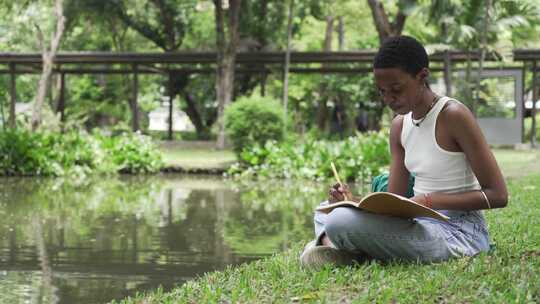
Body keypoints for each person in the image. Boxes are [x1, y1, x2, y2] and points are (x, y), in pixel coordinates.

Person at [300, 36, 508, 268]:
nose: (388, 98)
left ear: (422, 76)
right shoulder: (400, 125)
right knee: (326, 211)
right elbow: (392, 203)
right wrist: (351, 201)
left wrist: (428, 201)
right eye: (381, 91)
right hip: (417, 223)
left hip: (458, 231)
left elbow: (498, 195)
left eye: (396, 89)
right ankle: (347, 251)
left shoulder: (453, 115)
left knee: (339, 222)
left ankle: (335, 248)